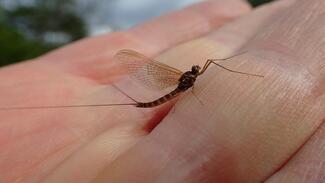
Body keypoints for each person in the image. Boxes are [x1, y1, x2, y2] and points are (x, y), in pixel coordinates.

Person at [0, 0, 323, 182]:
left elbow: (189, 86)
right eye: (196, 71)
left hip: (164, 94)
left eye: (196, 71)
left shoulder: (187, 77)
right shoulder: (186, 79)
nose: (197, 70)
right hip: (159, 98)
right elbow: (186, 91)